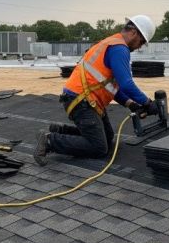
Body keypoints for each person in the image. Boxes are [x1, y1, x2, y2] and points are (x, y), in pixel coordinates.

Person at [34, 15, 158, 164]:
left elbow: (109, 86)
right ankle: (49, 141)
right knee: (99, 147)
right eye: (142, 42)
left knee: (107, 136)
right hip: (81, 100)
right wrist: (147, 103)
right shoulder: (119, 49)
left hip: (85, 98)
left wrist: (130, 104)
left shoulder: (111, 42)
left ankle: (59, 130)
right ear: (134, 33)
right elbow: (126, 84)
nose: (139, 47)